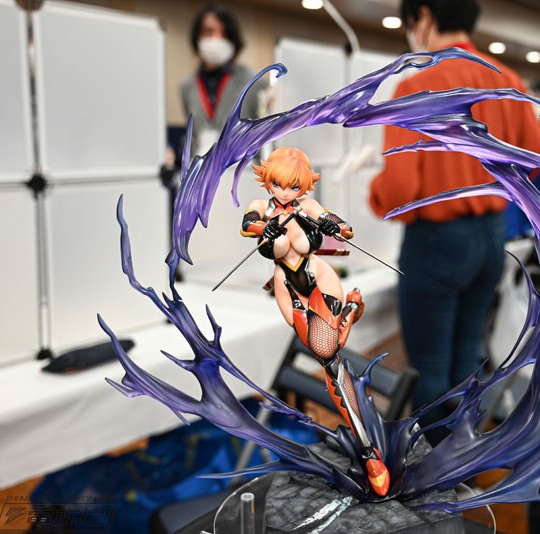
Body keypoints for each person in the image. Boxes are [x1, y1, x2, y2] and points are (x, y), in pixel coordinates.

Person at [369, 0, 540, 444]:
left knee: (429, 367)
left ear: (424, 17)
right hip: (491, 235)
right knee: (467, 356)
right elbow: (536, 158)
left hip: (436, 242)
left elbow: (399, 189)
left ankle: (434, 471)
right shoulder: (507, 81)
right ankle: (465, 455)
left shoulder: (416, 87)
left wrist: (375, 193)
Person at [241, 147, 389, 496]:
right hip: (287, 285)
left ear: (303, 185)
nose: (285, 192)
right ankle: (349, 312)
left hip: (318, 275)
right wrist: (265, 226)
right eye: (279, 184)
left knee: (329, 357)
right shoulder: (261, 205)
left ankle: (369, 452)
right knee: (326, 349)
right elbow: (248, 226)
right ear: (269, 181)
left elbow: (342, 227)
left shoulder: (307, 205)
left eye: (293, 186)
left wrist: (334, 225)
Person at [181, 5, 266, 155]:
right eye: (209, 31)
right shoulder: (187, 86)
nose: (217, 38)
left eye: (224, 34)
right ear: (197, 36)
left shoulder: (254, 82)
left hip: (241, 166)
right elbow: (192, 135)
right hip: (200, 165)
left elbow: (263, 136)